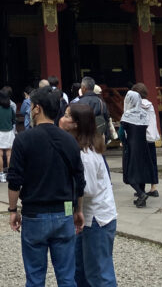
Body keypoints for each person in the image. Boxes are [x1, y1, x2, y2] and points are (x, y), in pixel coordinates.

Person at [7, 87, 85, 287]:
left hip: (34, 212)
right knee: (67, 276)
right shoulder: (69, 140)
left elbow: (15, 180)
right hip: (64, 209)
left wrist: (13, 210)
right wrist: (78, 210)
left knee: (35, 277)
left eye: (31, 105)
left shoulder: (23, 140)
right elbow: (79, 180)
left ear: (37, 109)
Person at [60, 103, 117, 287]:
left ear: (76, 124)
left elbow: (88, 189)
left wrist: (62, 189)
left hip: (96, 219)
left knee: (99, 273)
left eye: (67, 115)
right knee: (80, 270)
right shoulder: (78, 147)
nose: (63, 118)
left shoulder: (86, 154)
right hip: (85, 217)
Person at [119, 90, 156, 208]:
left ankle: (141, 194)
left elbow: (121, 133)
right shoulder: (144, 114)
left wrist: (123, 142)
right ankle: (142, 197)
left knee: (129, 172)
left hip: (131, 146)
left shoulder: (127, 115)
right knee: (141, 170)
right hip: (143, 145)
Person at [132, 83, 161, 199]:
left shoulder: (136, 106)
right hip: (151, 138)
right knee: (152, 162)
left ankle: (141, 189)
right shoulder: (150, 105)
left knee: (141, 164)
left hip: (141, 139)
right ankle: (154, 187)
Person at [0, 87, 18, 182]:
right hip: (9, 132)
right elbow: (14, 121)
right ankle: (9, 174)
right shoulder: (11, 109)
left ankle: (1, 175)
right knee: (9, 154)